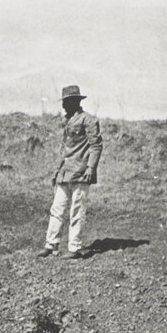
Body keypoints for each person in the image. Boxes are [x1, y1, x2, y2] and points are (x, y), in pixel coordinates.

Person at [41, 85, 103, 259]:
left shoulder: (89, 120)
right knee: (57, 209)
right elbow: (64, 150)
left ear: (76, 101)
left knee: (77, 210)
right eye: (64, 102)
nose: (64, 106)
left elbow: (96, 146)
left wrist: (91, 168)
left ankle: (74, 248)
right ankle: (51, 244)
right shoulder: (68, 122)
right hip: (65, 173)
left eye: (68, 102)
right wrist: (56, 172)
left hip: (81, 172)